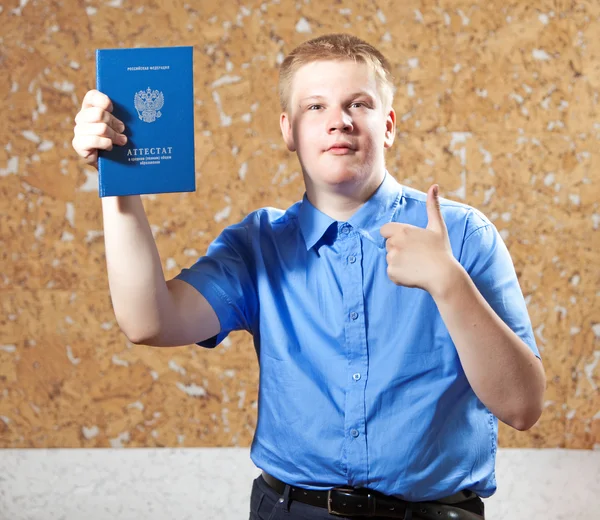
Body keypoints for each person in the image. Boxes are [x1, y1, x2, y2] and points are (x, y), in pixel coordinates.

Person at [72, 33, 545, 520]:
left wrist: (449, 283)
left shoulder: (464, 236)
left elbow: (522, 407)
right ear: (289, 131)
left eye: (358, 103)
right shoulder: (258, 244)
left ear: (388, 125)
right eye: (315, 106)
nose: (338, 120)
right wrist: (118, 182)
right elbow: (148, 322)